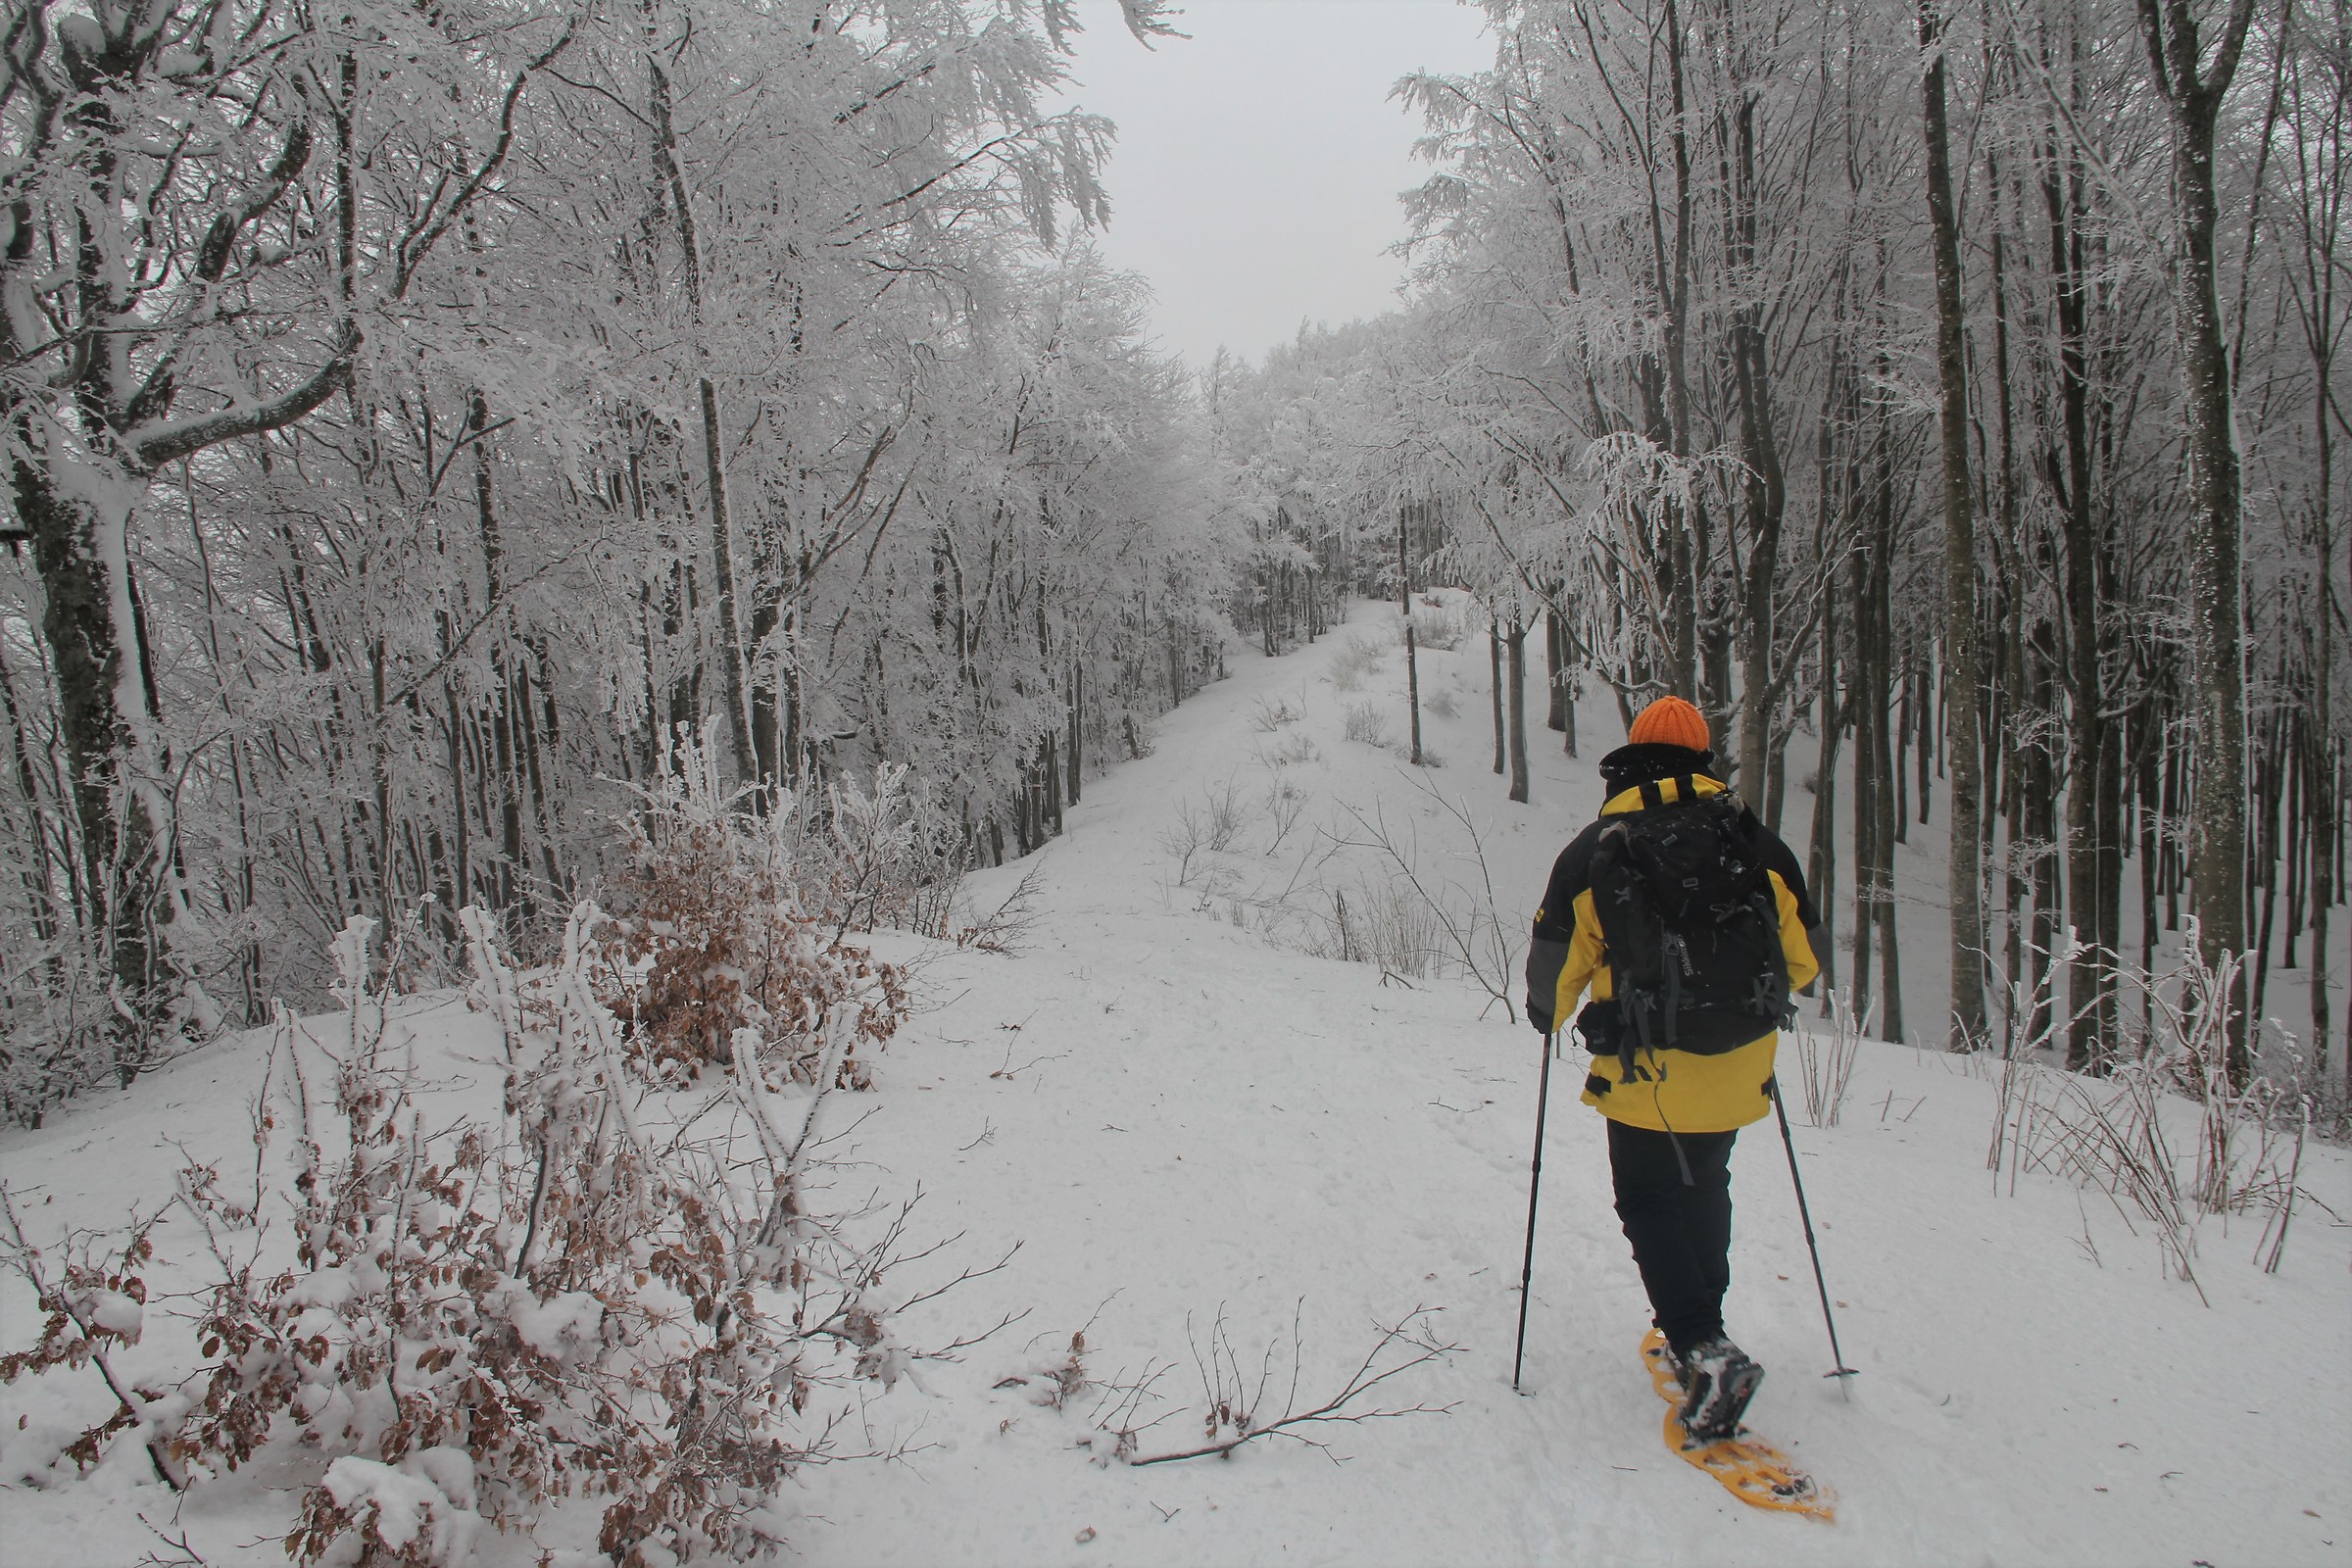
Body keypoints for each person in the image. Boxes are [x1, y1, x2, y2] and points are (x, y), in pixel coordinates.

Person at [1523, 695, 1821, 1443]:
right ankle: (1706, 1327)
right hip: (1740, 1061)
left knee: (1649, 1197)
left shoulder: (1597, 848)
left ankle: (1701, 1344)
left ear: (1633, 754)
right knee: (1705, 1182)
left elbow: (1553, 973)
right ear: (1701, 756)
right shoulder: (1755, 843)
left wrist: (1547, 1013)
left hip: (1645, 1065)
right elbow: (1805, 963)